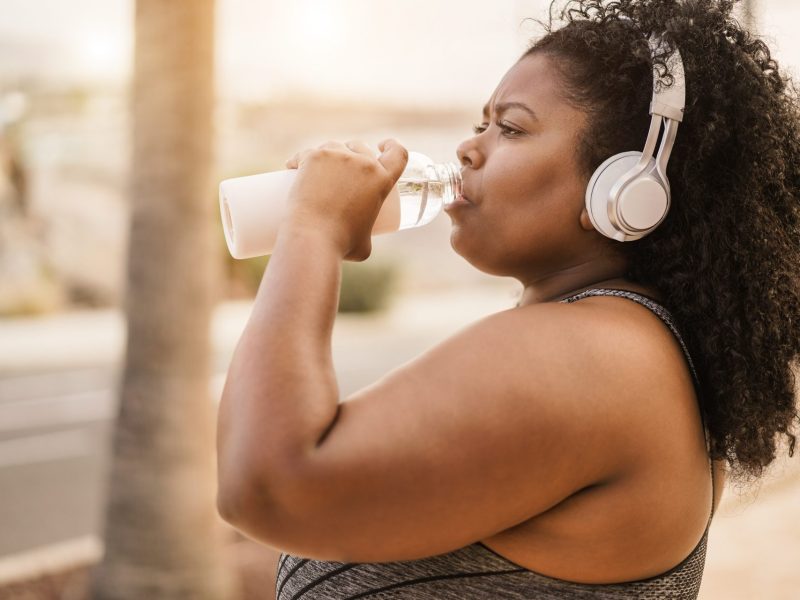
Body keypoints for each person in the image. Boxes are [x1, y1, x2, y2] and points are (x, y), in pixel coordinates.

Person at [216, 0, 800, 597]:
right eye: (481, 124)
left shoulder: (596, 357)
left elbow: (267, 489)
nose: (470, 150)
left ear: (626, 189)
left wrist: (312, 230)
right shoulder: (623, 346)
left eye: (513, 128)